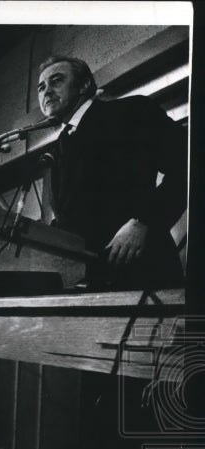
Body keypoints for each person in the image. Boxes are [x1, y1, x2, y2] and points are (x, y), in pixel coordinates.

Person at [37, 55, 186, 290]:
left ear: (84, 85)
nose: (46, 91)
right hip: (85, 282)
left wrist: (145, 221)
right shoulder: (57, 150)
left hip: (142, 273)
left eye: (56, 81)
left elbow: (187, 163)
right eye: (41, 87)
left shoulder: (129, 111)